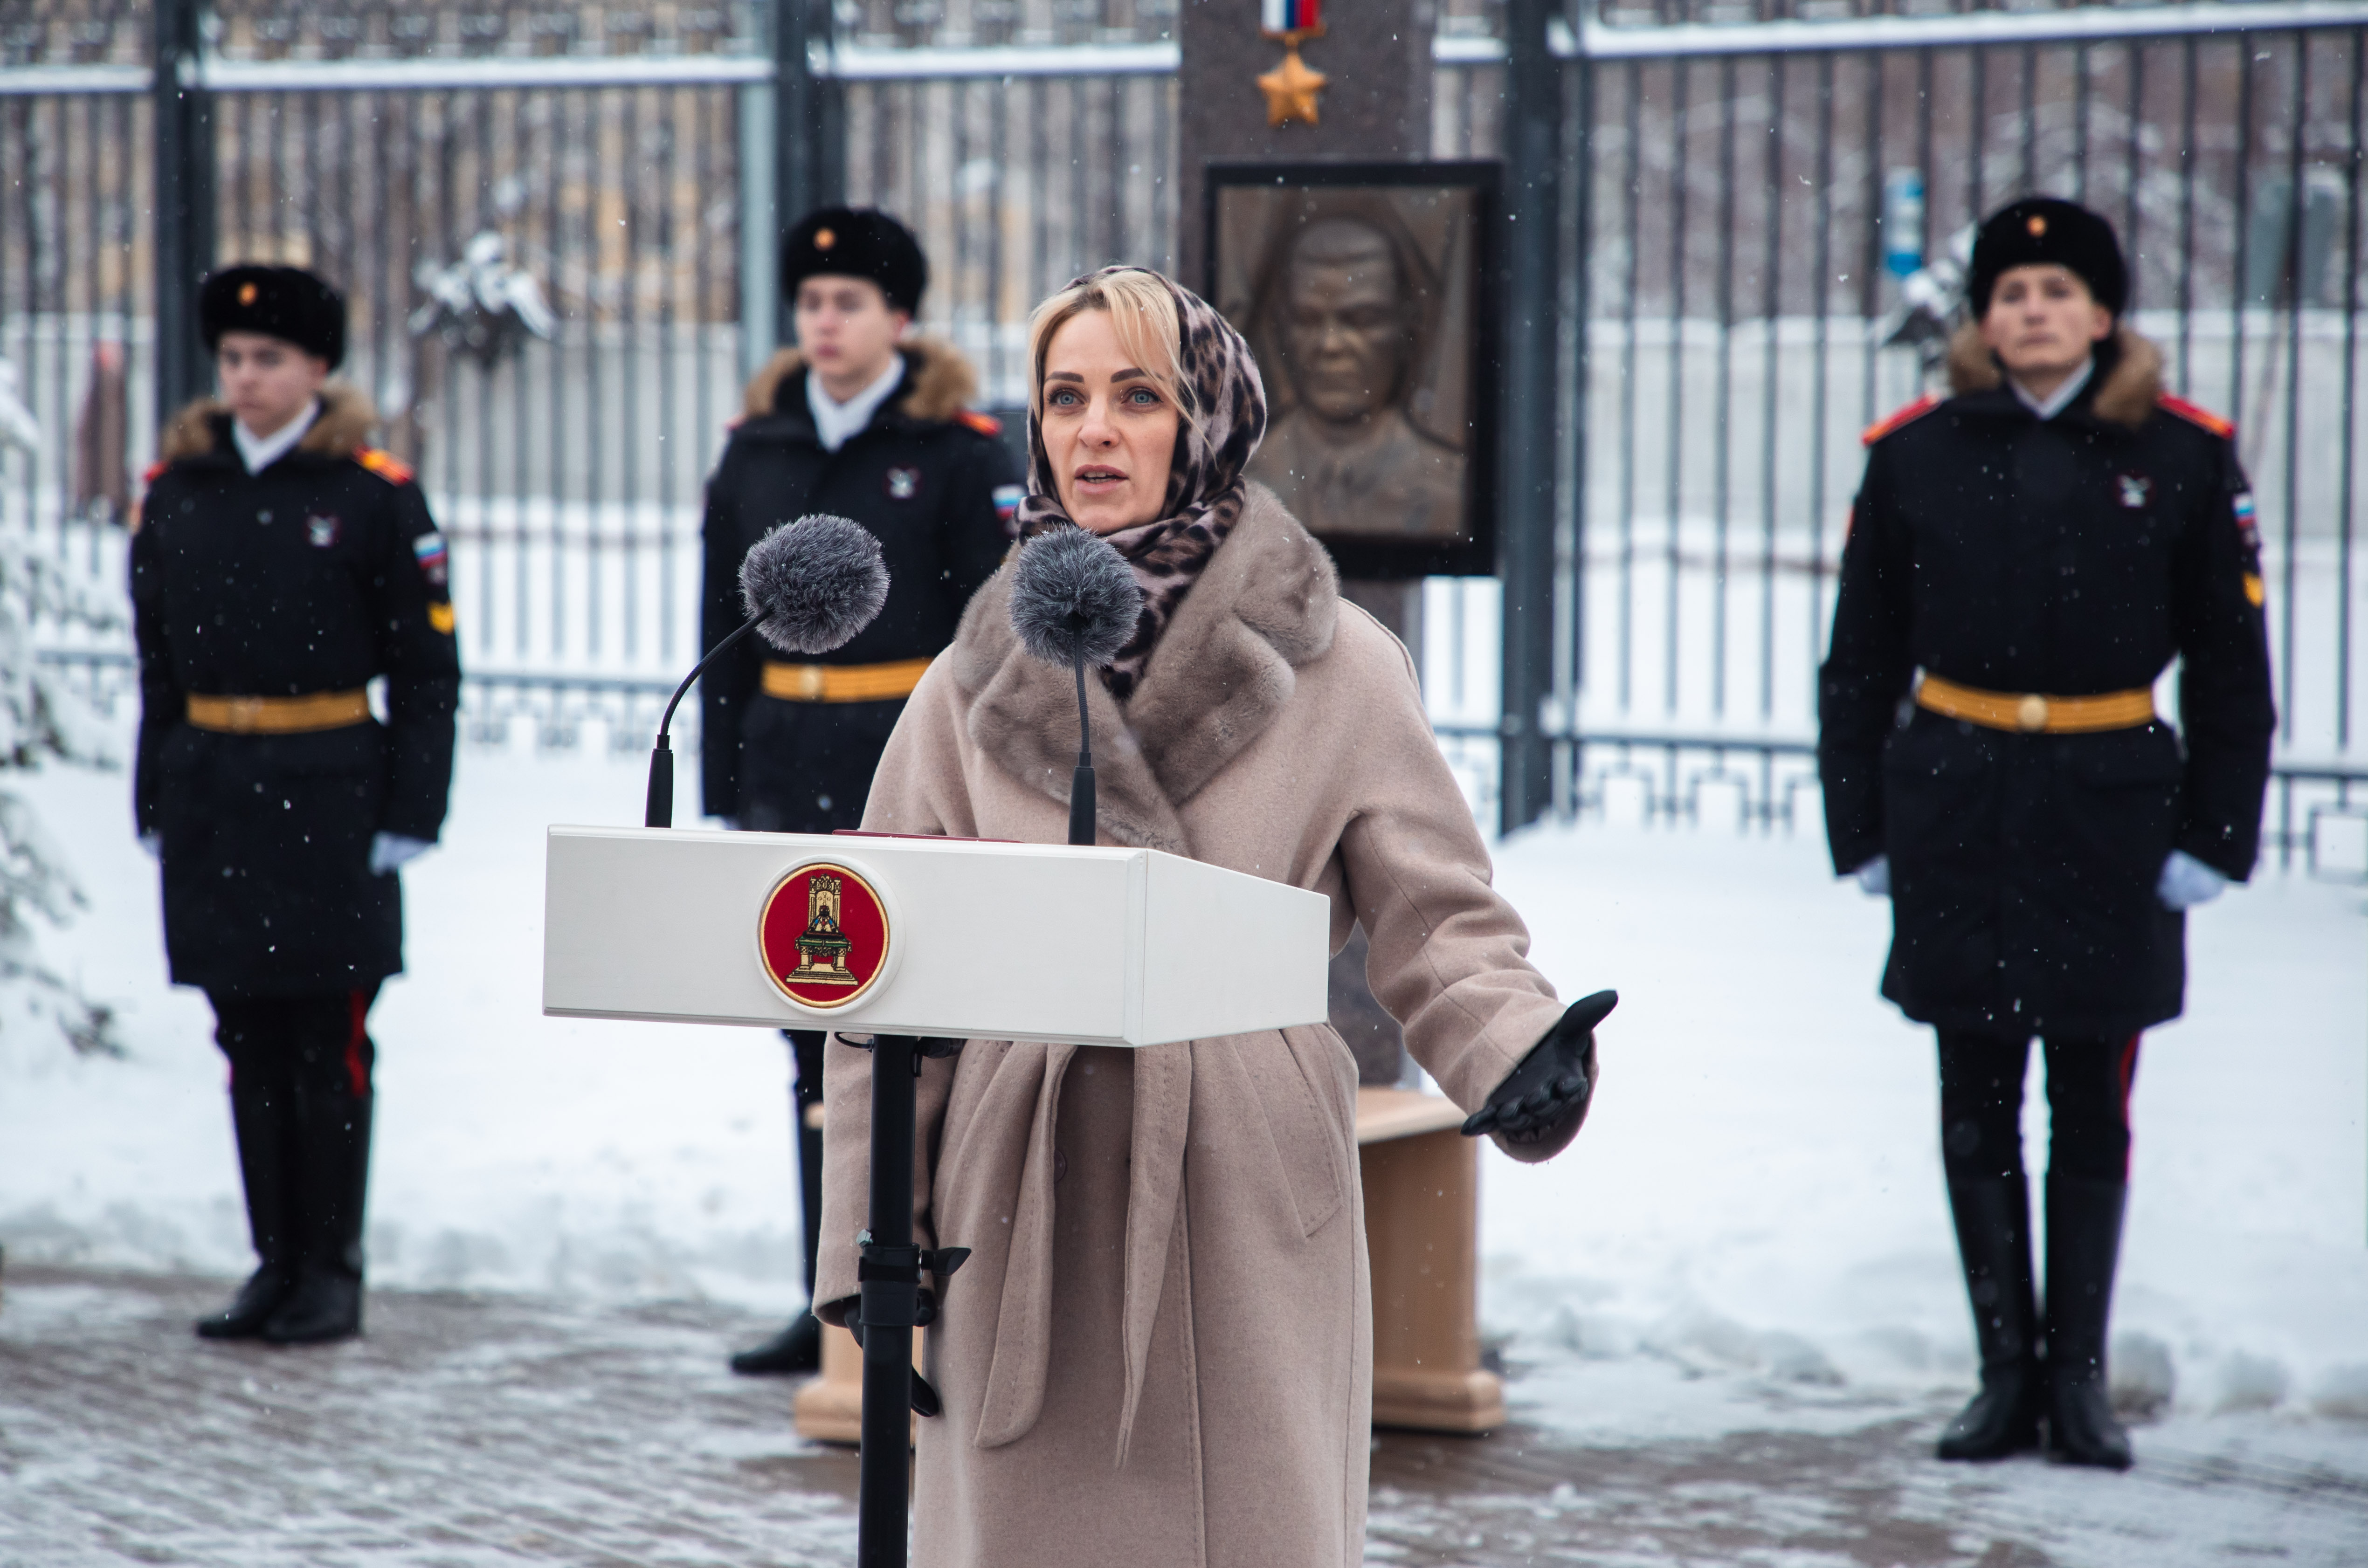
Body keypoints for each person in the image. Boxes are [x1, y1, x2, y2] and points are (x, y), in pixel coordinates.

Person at [816, 266, 1609, 1566]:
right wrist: (871, 1241)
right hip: (1016, 1200)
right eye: (1064, 397)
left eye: (1137, 396)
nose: (1093, 430)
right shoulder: (969, 680)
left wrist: (1511, 1041)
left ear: (1209, 420)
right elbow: (882, 980)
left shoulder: (1337, 661)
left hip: (1242, 1180)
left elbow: (1436, 913)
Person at [1820, 198, 2274, 1469]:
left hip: (2106, 817)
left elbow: (2230, 665)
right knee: (1972, 1095)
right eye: (2010, 292)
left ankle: (2074, 1380)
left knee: (2089, 1095)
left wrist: (2213, 835)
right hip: (1955, 808)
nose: (2031, 311)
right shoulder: (1914, 453)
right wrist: (1861, 825)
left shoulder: (2178, 455)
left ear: (2101, 313)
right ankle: (1999, 1375)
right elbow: (1858, 660)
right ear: (1980, 316)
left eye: (2056, 291)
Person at [700, 206, 1020, 1375]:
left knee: (917, 1039)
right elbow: (720, 625)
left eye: (849, 302)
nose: (824, 322)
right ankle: (825, 1285)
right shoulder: (758, 447)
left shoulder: (957, 450)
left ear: (900, 318)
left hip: (906, 766)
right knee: (810, 1041)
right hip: (789, 766)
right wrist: (726, 783)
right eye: (810, 302)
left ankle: (926, 1281)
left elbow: (992, 637)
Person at [133, 264, 461, 1345]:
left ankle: (331, 1269)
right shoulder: (179, 489)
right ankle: (273, 1262)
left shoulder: (369, 494)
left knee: (329, 1043)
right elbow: (157, 664)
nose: (245, 377)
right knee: (246, 1037)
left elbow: (427, 673)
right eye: (232, 358)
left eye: (268, 358)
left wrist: (412, 809)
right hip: (215, 793)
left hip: (328, 794)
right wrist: (155, 793)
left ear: (318, 367)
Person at [1245, 214, 1465, 539]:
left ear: (1408, 326)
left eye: (1362, 319)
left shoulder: (1450, 488)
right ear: (1281, 328)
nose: (1330, 344)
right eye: (1307, 319)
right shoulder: (1244, 483)